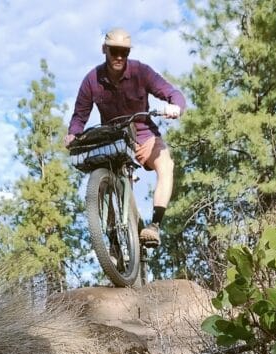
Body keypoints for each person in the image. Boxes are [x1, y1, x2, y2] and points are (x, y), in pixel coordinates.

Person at [64, 27, 186, 246]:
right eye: (114, 51)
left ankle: (154, 226)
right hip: (113, 139)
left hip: (144, 136)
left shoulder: (141, 72)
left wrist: (175, 106)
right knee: (102, 182)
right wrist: (73, 134)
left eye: (124, 52)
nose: (119, 56)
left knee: (166, 164)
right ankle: (112, 238)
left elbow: (172, 92)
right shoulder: (91, 80)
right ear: (105, 50)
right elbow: (79, 116)